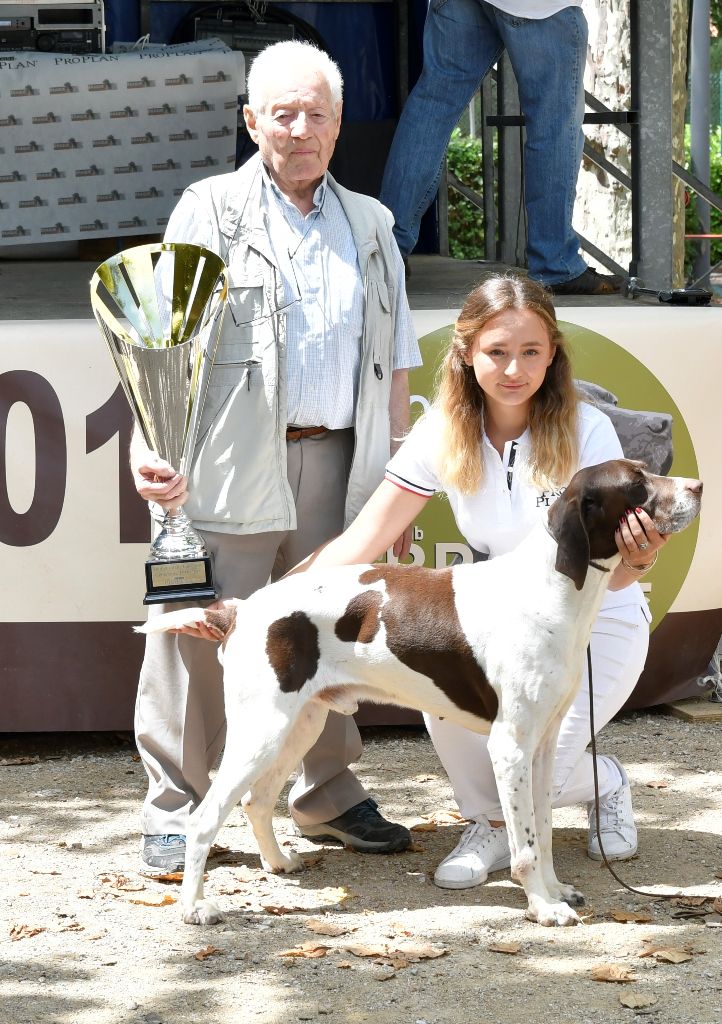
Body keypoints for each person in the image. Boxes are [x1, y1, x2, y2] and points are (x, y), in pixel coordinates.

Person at [131, 39, 422, 876]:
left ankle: (325, 794)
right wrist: (153, 449)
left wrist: (396, 474)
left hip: (341, 463)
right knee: (195, 634)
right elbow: (160, 345)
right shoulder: (209, 209)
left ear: (338, 125)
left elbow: (396, 358)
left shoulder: (372, 224)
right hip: (224, 463)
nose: (300, 129)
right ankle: (175, 808)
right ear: (251, 120)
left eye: (316, 114)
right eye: (282, 114)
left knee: (332, 635)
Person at [278, 273, 668, 888]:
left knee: (541, 761)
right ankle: (489, 825)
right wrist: (268, 604)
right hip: (486, 632)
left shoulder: (588, 430)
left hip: (596, 625)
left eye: (531, 352)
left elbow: (617, 578)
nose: (515, 368)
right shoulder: (442, 430)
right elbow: (363, 541)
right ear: (466, 353)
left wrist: (640, 560)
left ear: (553, 354)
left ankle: (606, 782)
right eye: (497, 351)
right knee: (448, 698)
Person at [379, 1, 622, 296]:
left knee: (433, 107)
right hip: (539, 8)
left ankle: (385, 247)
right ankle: (554, 262)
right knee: (554, 128)